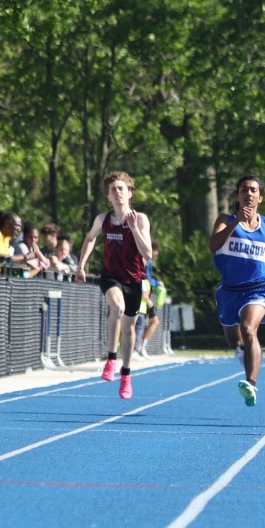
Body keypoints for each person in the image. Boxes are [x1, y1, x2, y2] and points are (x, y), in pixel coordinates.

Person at [209, 174, 265, 407]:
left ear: (260, 197)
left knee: (248, 329)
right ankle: (245, 352)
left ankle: (251, 383)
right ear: (237, 196)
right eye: (244, 190)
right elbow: (213, 245)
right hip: (229, 290)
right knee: (234, 340)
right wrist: (236, 223)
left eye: (253, 190)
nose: (248, 193)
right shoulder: (225, 220)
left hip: (258, 289)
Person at [76, 171, 153, 399]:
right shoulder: (103, 219)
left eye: (121, 188)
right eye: (113, 190)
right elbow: (90, 238)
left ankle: (126, 374)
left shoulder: (140, 219)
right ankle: (110, 359)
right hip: (110, 276)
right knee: (117, 307)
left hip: (134, 280)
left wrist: (134, 228)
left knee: (129, 329)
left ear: (130, 193)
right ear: (108, 196)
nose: (117, 192)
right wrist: (81, 265)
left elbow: (148, 254)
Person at [140, 240, 164, 356]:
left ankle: (142, 347)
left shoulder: (148, 261)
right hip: (143, 297)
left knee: (151, 321)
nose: (157, 254)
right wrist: (158, 283)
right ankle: (140, 348)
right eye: (156, 251)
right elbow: (146, 278)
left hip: (146, 296)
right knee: (146, 322)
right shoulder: (146, 260)